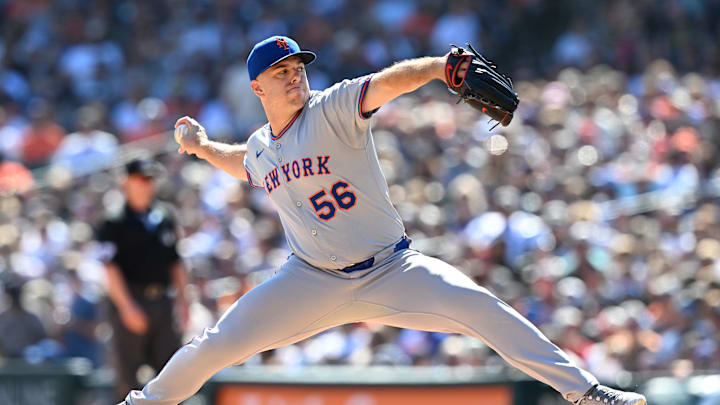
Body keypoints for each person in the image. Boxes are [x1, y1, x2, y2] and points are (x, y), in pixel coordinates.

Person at [119, 36, 646, 405]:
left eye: (298, 67)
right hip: (311, 279)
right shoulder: (262, 147)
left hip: (393, 268)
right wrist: (204, 146)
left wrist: (443, 67)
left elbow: (391, 81)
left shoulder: (333, 108)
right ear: (258, 88)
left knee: (483, 308)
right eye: (281, 73)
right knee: (215, 344)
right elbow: (242, 163)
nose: (294, 76)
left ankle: (587, 393)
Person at [98, 158, 189, 402]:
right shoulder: (113, 221)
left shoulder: (164, 215)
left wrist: (184, 302)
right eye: (142, 179)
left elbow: (176, 263)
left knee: (171, 374)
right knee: (127, 376)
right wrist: (127, 307)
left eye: (151, 179)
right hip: (132, 300)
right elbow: (110, 268)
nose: (147, 184)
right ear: (126, 181)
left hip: (163, 301)